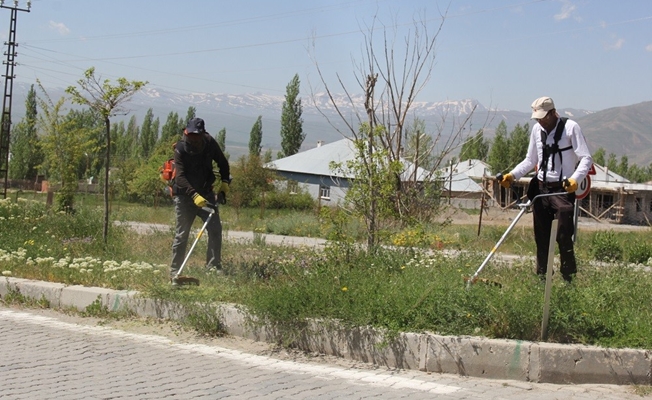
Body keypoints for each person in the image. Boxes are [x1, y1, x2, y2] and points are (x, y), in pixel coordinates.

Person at [499, 96, 593, 283]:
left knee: (564, 236)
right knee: (541, 238)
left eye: (544, 117)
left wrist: (575, 179)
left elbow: (586, 158)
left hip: (562, 190)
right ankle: (542, 279)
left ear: (552, 112)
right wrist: (513, 175)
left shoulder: (570, 128)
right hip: (541, 190)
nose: (540, 120)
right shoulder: (536, 130)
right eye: (538, 117)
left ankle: (569, 279)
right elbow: (530, 160)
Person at [170, 117, 230, 286]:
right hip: (184, 196)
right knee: (182, 234)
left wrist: (225, 182)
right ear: (186, 132)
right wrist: (193, 194)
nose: (193, 138)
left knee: (215, 230)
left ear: (203, 134)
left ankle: (213, 266)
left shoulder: (210, 143)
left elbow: (223, 163)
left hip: (206, 194)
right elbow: (180, 177)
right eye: (190, 135)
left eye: (196, 135)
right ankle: (175, 270)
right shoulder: (181, 148)